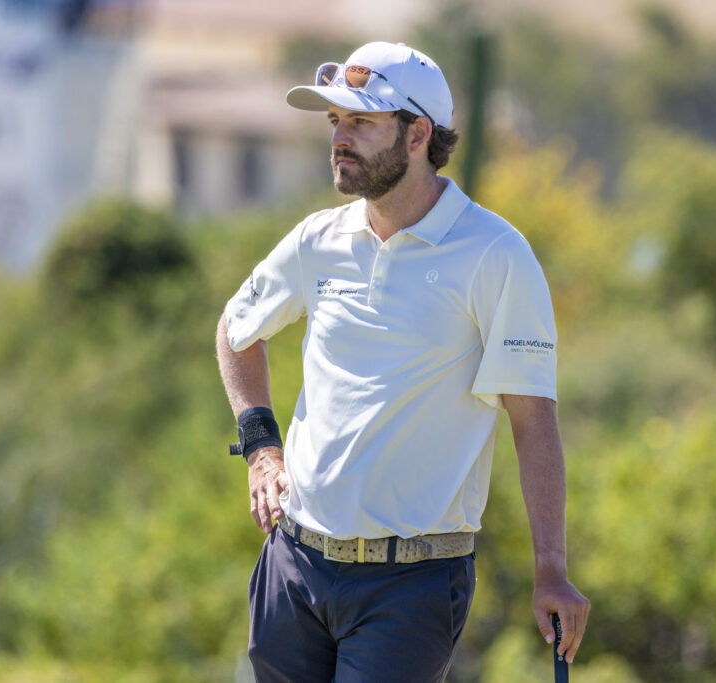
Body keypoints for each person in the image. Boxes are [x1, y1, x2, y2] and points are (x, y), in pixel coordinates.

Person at [216, 41, 590, 682]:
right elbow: (236, 329)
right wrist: (260, 447)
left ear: (419, 133)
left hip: (412, 584)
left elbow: (533, 421)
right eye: (336, 122)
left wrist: (551, 569)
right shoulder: (316, 240)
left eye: (361, 122)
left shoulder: (495, 254)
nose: (340, 138)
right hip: (294, 567)